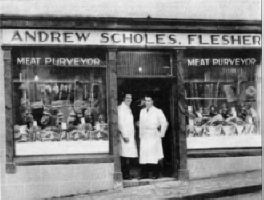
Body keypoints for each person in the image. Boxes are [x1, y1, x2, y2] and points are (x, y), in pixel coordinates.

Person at [139, 93, 168, 179]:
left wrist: (161, 134)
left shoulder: (157, 111)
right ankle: (144, 173)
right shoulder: (142, 111)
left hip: (153, 134)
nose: (147, 103)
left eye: (149, 101)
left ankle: (155, 173)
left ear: (152, 101)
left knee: (153, 155)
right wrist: (140, 135)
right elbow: (141, 124)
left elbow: (164, 122)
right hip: (144, 135)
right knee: (144, 155)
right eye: (146, 101)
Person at [118, 93, 138, 180]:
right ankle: (125, 174)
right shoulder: (121, 109)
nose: (129, 100)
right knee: (124, 156)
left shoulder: (127, 108)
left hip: (129, 136)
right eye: (127, 98)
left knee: (128, 156)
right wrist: (125, 135)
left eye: (130, 98)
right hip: (125, 136)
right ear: (123, 99)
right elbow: (120, 123)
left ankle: (127, 173)